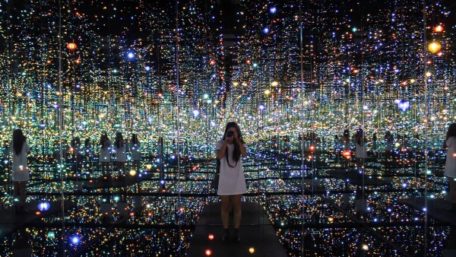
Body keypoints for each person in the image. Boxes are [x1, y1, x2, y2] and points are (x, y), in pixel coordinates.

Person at [215, 122, 247, 242]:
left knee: (237, 206)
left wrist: (237, 141)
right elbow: (220, 156)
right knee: (225, 206)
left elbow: (244, 154)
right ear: (226, 132)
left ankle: (236, 231)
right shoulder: (221, 143)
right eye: (230, 132)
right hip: (224, 178)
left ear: (238, 132)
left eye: (234, 132)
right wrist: (226, 143)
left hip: (237, 178)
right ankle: (226, 231)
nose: (231, 134)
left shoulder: (240, 143)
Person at [11, 129, 30, 214]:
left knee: (15, 189)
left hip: (15, 168)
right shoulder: (24, 142)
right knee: (23, 188)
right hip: (23, 168)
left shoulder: (12, 143)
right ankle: (22, 206)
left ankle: (15, 205)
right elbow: (28, 150)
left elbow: (10, 153)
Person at [444, 123, 456, 210]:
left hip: (452, 169)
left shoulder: (451, 140)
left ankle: (453, 204)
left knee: (453, 187)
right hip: (453, 168)